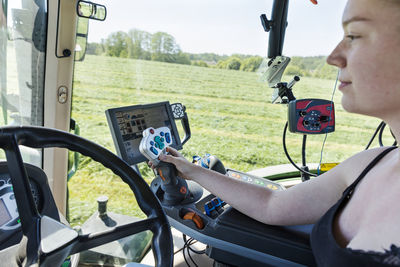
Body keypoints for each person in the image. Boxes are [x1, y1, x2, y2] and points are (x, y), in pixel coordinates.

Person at [156, 0, 400, 265]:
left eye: (354, 36)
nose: (333, 57)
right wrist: (192, 171)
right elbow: (272, 205)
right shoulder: (372, 162)